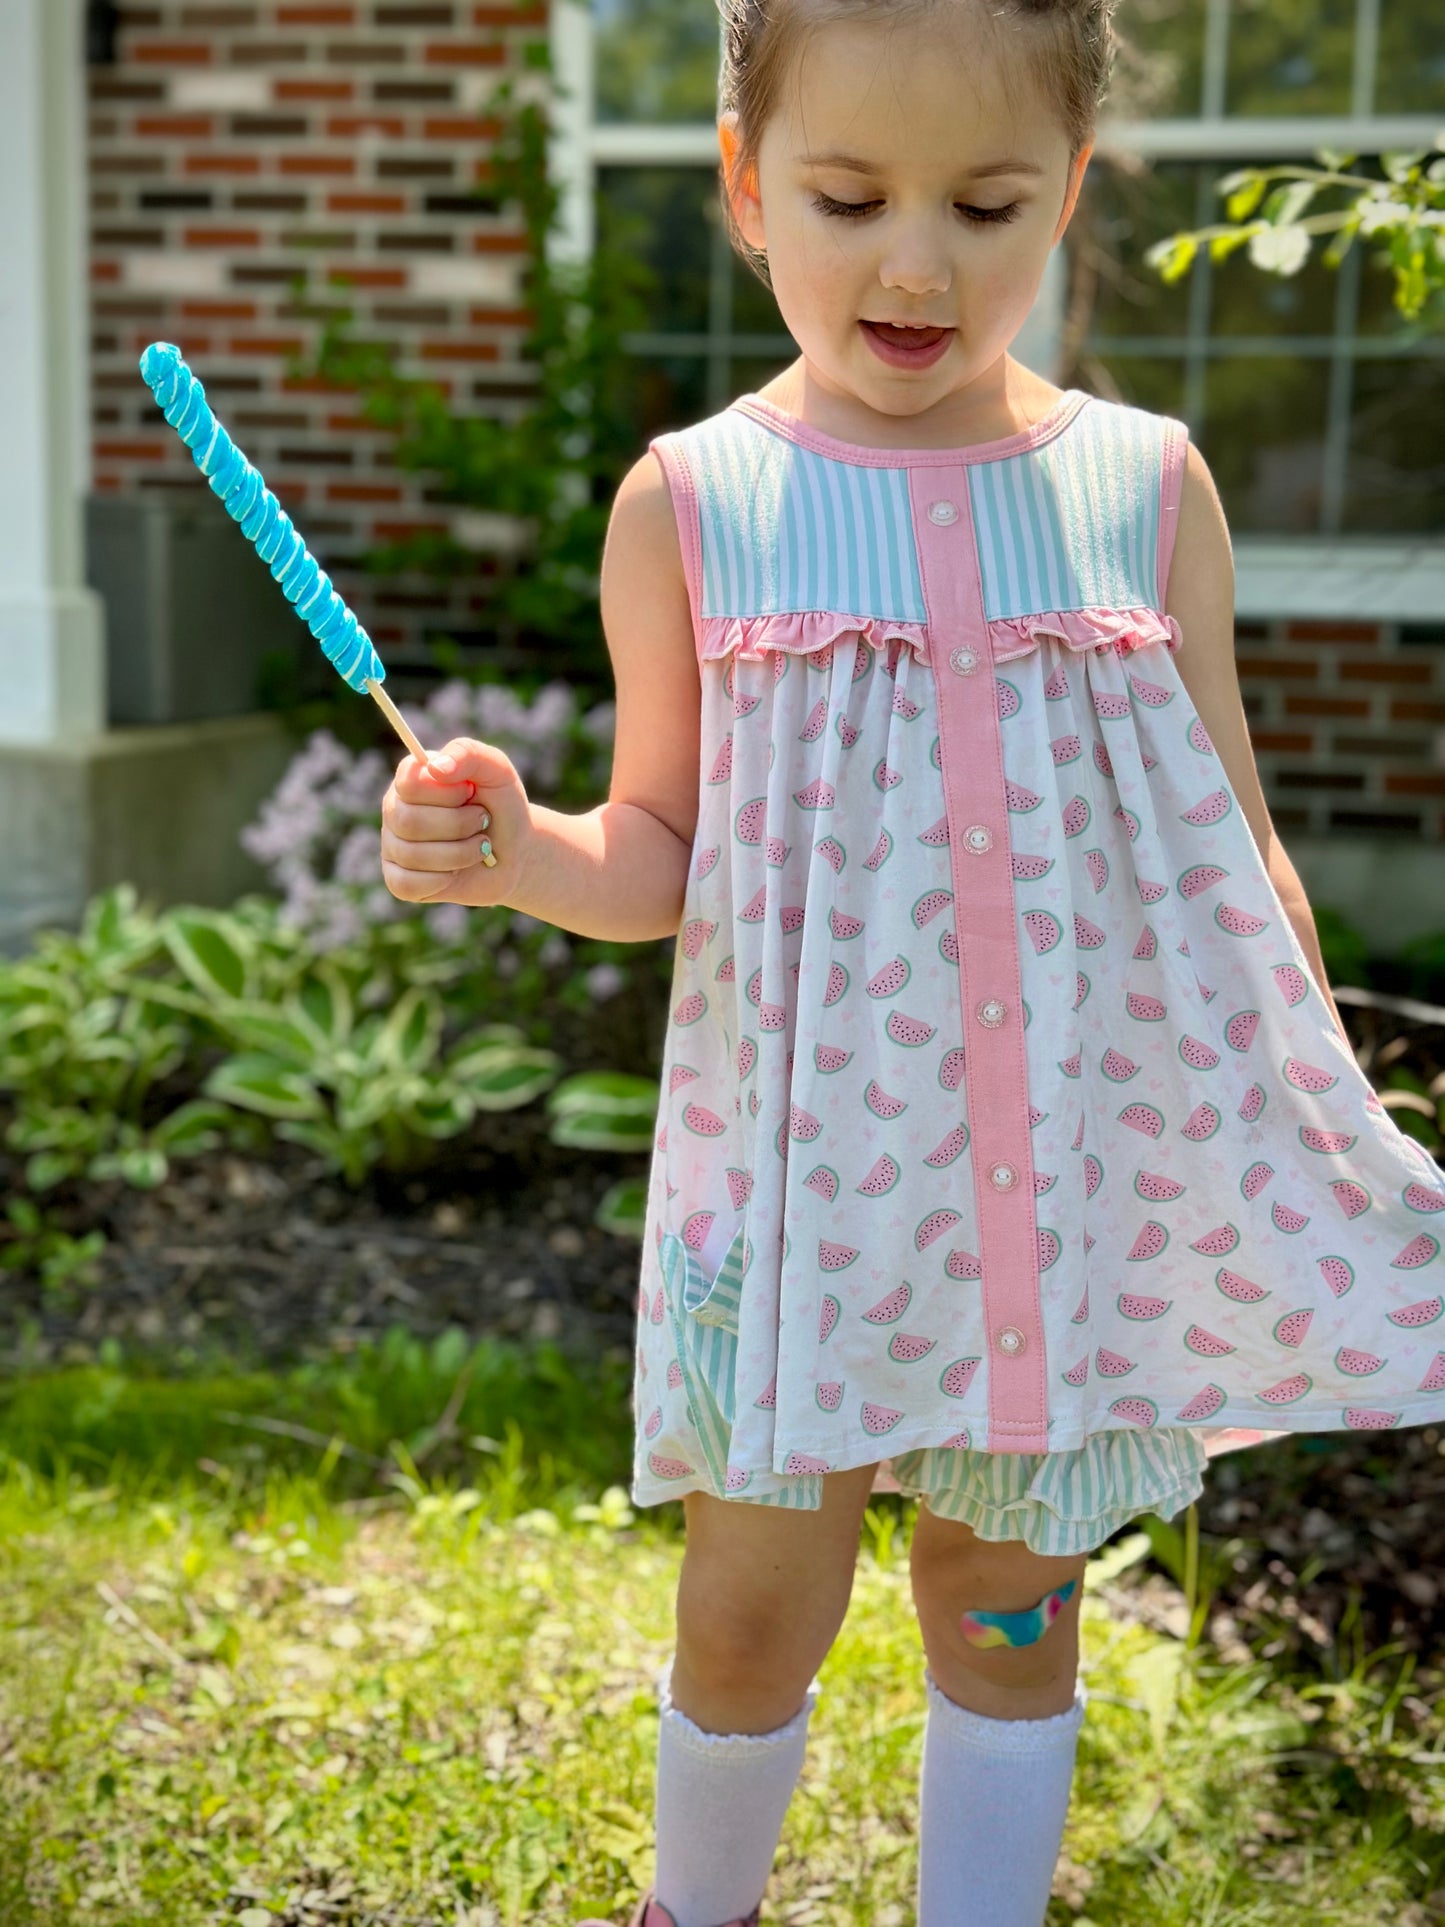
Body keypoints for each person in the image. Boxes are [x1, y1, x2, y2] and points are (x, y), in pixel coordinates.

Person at [377, 1, 1445, 1920]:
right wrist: (523, 853)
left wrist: (1287, 1110)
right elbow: (661, 857)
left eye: (986, 202)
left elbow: (1239, 846)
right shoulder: (694, 503)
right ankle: (690, 1910)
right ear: (744, 188)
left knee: (1004, 1611)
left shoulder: (1144, 483)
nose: (915, 259)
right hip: (798, 1200)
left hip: (1065, 1216)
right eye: (850, 195)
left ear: (1071, 197)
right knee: (747, 1615)